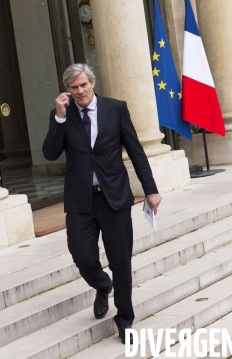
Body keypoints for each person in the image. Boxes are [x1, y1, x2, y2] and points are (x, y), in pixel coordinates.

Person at [42, 63, 162, 344]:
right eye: (74, 88)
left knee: (120, 261)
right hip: (80, 200)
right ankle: (101, 284)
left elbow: (136, 151)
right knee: (82, 256)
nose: (80, 91)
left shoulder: (115, 108)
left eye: (83, 85)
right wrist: (59, 118)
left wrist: (151, 190)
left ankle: (125, 320)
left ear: (92, 83)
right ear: (68, 91)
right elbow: (49, 153)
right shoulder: (62, 114)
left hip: (114, 199)